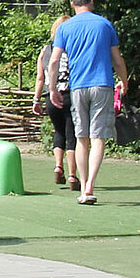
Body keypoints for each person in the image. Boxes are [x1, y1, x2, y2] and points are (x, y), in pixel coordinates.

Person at [49, 0, 128, 206]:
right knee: (98, 137)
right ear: (92, 2)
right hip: (102, 84)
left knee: (81, 138)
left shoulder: (65, 27)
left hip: (77, 87)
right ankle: (90, 186)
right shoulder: (104, 24)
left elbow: (54, 61)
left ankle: (83, 187)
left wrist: (53, 88)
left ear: (73, 4)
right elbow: (118, 60)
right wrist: (124, 81)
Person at [32, 15, 78, 189]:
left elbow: (40, 78)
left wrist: (36, 99)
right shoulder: (74, 49)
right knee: (72, 134)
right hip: (70, 94)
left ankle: (58, 166)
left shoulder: (45, 51)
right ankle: (73, 175)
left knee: (59, 132)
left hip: (50, 97)